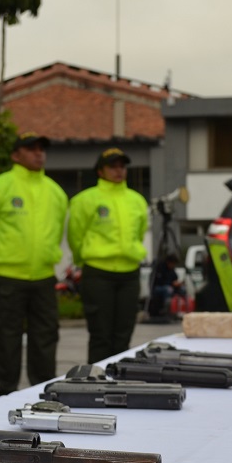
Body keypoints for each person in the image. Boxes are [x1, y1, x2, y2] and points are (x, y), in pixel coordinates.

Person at [0, 132, 68, 397]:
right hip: (8, 276)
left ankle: (44, 391)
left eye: (42, 149)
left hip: (44, 277)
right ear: (15, 155)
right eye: (31, 149)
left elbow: (56, 234)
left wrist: (47, 258)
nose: (39, 153)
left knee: (46, 337)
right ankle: (5, 391)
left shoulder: (56, 192)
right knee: (6, 337)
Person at [67, 148, 148, 363]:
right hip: (98, 273)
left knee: (123, 335)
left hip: (129, 274)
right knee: (100, 335)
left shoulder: (137, 200)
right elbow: (75, 236)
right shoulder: (85, 200)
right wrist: (83, 260)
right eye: (112, 166)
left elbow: (139, 233)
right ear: (100, 171)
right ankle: (96, 383)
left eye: (122, 166)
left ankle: (120, 381)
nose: (118, 170)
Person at [149, 253, 185, 318]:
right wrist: (171, 283)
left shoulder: (172, 270)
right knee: (168, 289)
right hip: (158, 288)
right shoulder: (160, 269)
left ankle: (180, 309)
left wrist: (178, 283)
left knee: (182, 289)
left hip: (169, 286)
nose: (173, 265)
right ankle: (166, 310)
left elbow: (175, 278)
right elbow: (160, 281)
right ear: (168, 262)